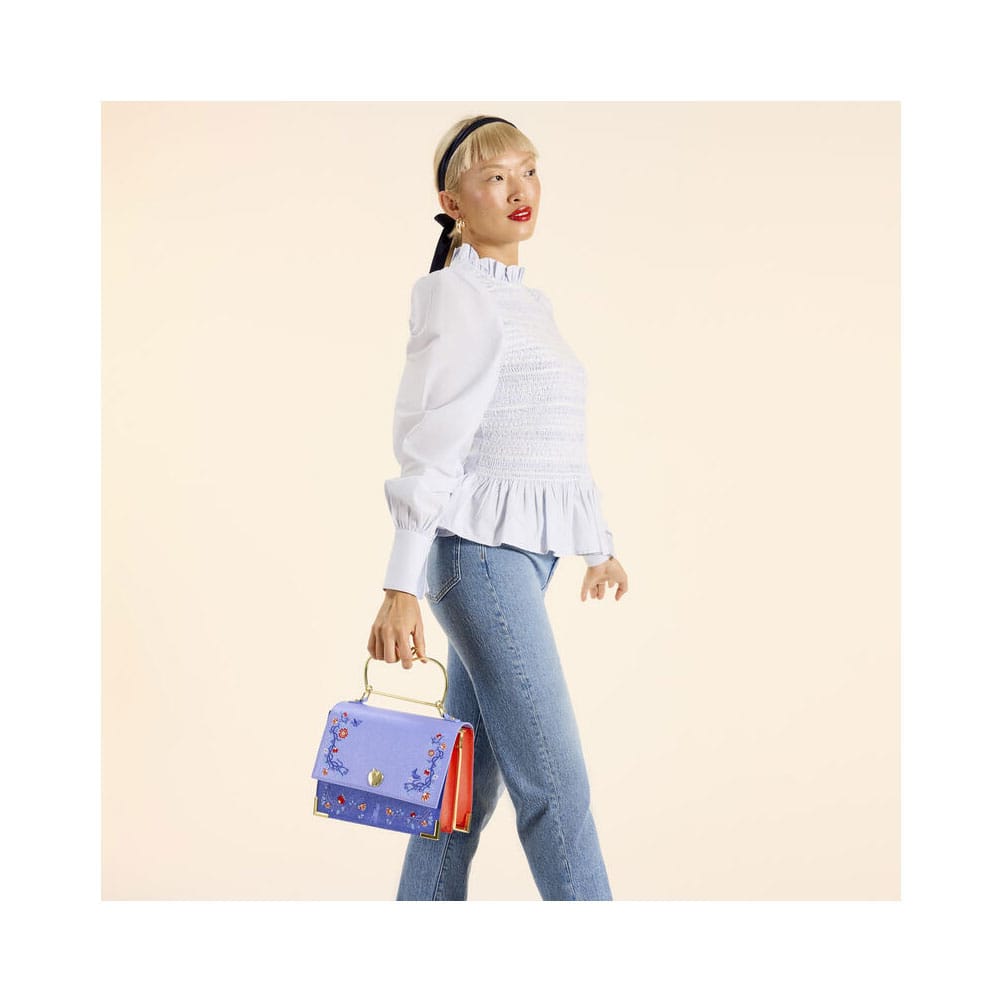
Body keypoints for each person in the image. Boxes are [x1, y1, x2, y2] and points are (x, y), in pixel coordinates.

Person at [368, 115, 629, 901]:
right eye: (495, 177)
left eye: (529, 170)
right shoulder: (456, 296)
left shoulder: (528, 304)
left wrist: (596, 544)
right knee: (556, 785)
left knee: (461, 795)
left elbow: (543, 439)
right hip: (478, 560)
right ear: (451, 203)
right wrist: (400, 584)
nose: (521, 190)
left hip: (521, 559)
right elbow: (431, 443)